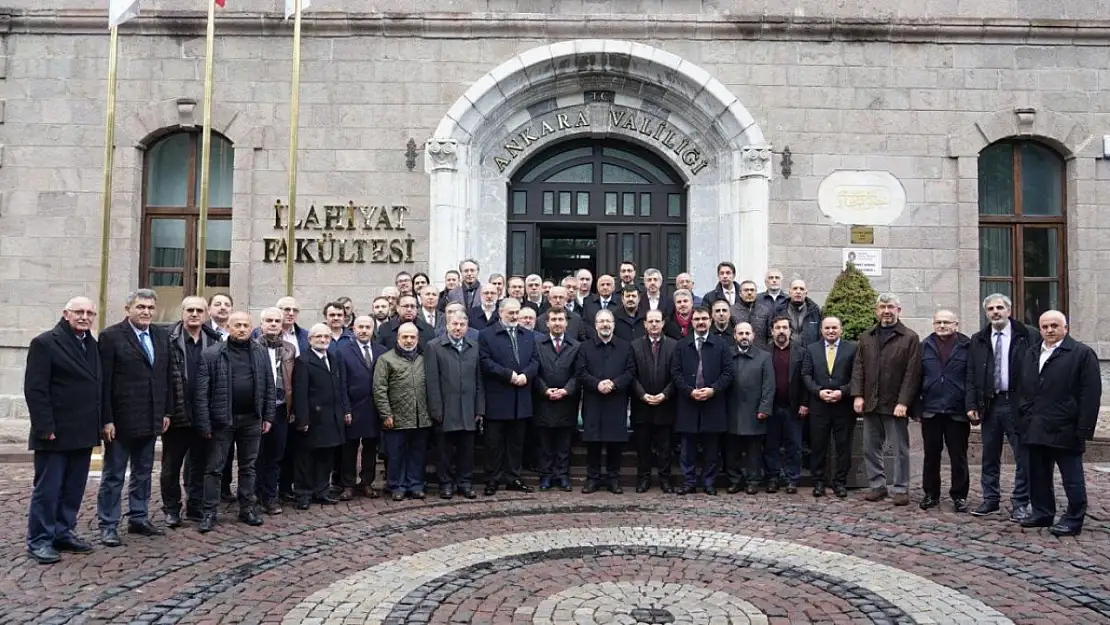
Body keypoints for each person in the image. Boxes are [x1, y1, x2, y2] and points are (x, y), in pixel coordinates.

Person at [24, 297, 102, 564]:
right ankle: (39, 539)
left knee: (73, 489)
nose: (84, 316)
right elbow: (35, 389)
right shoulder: (45, 343)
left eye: (90, 312)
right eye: (79, 312)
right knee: (48, 489)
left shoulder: (91, 344)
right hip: (54, 432)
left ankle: (62, 531)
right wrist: (45, 427)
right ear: (65, 314)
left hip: (82, 432)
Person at [96, 288, 173, 547]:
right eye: (140, 307)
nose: (146, 312)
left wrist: (166, 411)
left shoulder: (161, 336)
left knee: (143, 472)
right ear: (128, 309)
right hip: (120, 421)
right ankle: (108, 524)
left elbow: (165, 377)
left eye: (150, 308)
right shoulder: (111, 337)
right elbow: (103, 382)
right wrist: (106, 419)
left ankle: (138, 517)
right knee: (114, 475)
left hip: (151, 418)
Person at [1017, 310, 1101, 537]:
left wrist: (1083, 428)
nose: (1049, 330)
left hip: (1066, 427)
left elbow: (1090, 393)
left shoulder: (1081, 353)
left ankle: (1074, 519)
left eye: (1055, 325)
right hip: (1035, 425)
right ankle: (1043, 512)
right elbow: (1024, 387)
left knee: (1072, 478)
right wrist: (1025, 415)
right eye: (1045, 326)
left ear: (1066, 328)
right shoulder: (1033, 353)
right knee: (1038, 474)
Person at [194, 310, 275, 533]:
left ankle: (247, 508)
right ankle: (209, 511)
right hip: (222, 421)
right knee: (214, 468)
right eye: (237, 325)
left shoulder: (260, 352)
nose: (241, 329)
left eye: (245, 325)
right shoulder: (212, 354)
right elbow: (201, 393)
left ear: (251, 328)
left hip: (251, 420)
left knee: (248, 467)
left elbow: (269, 385)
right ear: (228, 327)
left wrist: (268, 416)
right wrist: (204, 423)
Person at [967, 293, 1037, 521]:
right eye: (991, 309)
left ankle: (1020, 502)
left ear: (1008, 310)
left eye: (999, 308)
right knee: (989, 455)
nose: (995, 312)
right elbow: (971, 374)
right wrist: (971, 404)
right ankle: (990, 499)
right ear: (986, 313)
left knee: (1023, 456)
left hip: (1018, 404)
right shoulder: (978, 339)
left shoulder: (1027, 335)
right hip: (990, 404)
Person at [851, 293, 921, 506]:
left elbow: (912, 373)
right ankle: (877, 485)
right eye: (882, 307)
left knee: (899, 449)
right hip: (872, 402)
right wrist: (858, 395)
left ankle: (900, 488)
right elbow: (859, 368)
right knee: (870, 447)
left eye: (890, 307)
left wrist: (904, 402)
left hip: (895, 404)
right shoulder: (867, 337)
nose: (886, 311)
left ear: (899, 310)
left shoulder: (909, 337)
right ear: (876, 310)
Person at [163, 296, 221, 527]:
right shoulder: (168, 339)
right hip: (177, 413)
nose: (194, 314)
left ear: (206, 314)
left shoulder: (215, 341)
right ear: (182, 312)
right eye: (190, 310)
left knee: (200, 464)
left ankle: (195, 506)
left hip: (204, 415)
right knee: (170, 467)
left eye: (199, 310)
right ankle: (171, 509)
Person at [478, 297, 539, 496]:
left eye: (517, 313)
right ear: (500, 313)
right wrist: (509, 375)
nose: (514, 316)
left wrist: (525, 375)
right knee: (494, 443)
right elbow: (485, 362)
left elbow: (535, 360)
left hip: (521, 397)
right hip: (498, 397)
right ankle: (492, 479)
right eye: (510, 313)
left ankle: (514, 477)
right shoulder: (486, 335)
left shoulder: (528, 335)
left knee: (516, 442)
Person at [671, 306, 734, 495]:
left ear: (710, 321)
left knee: (711, 448)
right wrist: (689, 391)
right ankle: (689, 482)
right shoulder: (682, 345)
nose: (701, 322)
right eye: (697, 319)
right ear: (691, 322)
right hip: (688, 402)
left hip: (712, 402)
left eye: (704, 319)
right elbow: (675, 372)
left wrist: (713, 390)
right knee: (687, 448)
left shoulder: (721, 345)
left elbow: (728, 373)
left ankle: (708, 482)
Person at [425, 312, 484, 500]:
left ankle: (464, 482)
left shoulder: (474, 346)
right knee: (444, 450)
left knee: (467, 450)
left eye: (461, 324)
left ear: (467, 327)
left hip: (468, 407)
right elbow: (432, 381)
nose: (458, 328)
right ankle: (446, 483)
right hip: (445, 408)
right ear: (447, 326)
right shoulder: (434, 347)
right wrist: (436, 410)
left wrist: (479, 409)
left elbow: (478, 380)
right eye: (454, 324)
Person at [292, 324, 351, 509]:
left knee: (326, 457)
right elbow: (300, 393)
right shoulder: (303, 361)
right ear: (310, 340)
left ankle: (321, 491)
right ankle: (303, 494)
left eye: (326, 337)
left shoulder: (333, 358)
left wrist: (345, 410)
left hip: (331, 416)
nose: (323, 340)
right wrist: (302, 420)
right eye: (318, 337)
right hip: (313, 418)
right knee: (306, 459)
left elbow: (341, 387)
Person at [918, 309, 972, 513]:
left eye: (946, 322)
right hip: (931, 409)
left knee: (958, 455)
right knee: (931, 454)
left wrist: (971, 405)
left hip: (957, 410)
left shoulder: (967, 346)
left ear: (956, 324)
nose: (942, 326)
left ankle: (959, 496)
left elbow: (971, 377)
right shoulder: (925, 346)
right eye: (938, 322)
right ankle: (931, 494)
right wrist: (917, 407)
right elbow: (916, 377)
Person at [577, 309, 635, 494]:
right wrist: (597, 384)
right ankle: (592, 478)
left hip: (616, 401)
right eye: (601, 321)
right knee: (593, 443)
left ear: (613, 325)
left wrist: (614, 384)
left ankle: (613, 479)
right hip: (593, 400)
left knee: (614, 443)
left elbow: (630, 372)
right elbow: (581, 372)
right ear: (595, 325)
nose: (605, 325)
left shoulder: (625, 347)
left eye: (608, 321)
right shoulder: (585, 347)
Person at [373, 322, 434, 501]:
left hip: (421, 417)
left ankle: (415, 484)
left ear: (417, 338)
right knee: (396, 454)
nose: (408, 340)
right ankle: (396, 485)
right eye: (404, 337)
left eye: (412, 337)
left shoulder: (424, 359)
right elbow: (379, 389)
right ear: (398, 338)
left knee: (418, 454)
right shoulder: (386, 359)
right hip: (396, 417)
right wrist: (386, 414)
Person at [801, 317, 857, 498]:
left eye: (834, 328)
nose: (830, 331)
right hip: (819, 406)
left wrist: (842, 392)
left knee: (843, 446)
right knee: (818, 446)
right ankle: (818, 482)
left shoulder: (852, 349)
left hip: (843, 406)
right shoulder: (812, 349)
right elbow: (806, 375)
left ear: (841, 329)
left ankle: (840, 482)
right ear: (821, 330)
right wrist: (818, 392)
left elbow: (856, 376)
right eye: (827, 328)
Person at [333, 315, 385, 500]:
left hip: (374, 408)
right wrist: (345, 409)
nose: (364, 330)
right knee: (349, 448)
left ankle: (367, 483)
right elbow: (341, 382)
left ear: (373, 330)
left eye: (367, 327)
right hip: (353, 407)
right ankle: (348, 484)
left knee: (370, 448)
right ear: (353, 329)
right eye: (360, 327)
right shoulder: (344, 351)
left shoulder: (382, 351)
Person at [253, 307, 296, 515]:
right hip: (257, 410)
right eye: (268, 320)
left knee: (275, 456)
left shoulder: (289, 349)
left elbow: (292, 381)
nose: (273, 324)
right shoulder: (251, 347)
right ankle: (253, 496)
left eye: (276, 321)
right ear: (261, 323)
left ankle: (270, 497)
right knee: (255, 456)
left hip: (280, 408)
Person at [533, 308, 581, 492]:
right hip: (544, 401)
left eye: (560, 319)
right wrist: (544, 390)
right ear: (547, 323)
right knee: (545, 443)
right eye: (553, 319)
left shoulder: (575, 345)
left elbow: (578, 374)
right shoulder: (537, 344)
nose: (557, 323)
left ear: (566, 323)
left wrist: (566, 390)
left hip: (566, 401)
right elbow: (534, 372)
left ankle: (562, 476)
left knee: (564, 444)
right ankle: (546, 476)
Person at [630, 309, 677, 493]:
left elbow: (676, 375)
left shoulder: (673, 346)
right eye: (651, 321)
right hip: (642, 404)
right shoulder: (634, 346)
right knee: (643, 446)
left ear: (663, 323)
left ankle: (665, 479)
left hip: (665, 404)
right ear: (645, 324)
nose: (654, 324)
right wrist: (643, 395)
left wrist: (665, 394)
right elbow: (631, 375)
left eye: (657, 321)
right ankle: (644, 478)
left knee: (665, 446)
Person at [725, 322, 774, 494]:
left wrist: (764, 408)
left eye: (747, 333)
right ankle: (735, 480)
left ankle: (753, 481)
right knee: (732, 450)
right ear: (735, 336)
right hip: (731, 409)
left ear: (753, 335)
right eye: (741, 333)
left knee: (754, 451)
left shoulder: (764, 357)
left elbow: (769, 385)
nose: (744, 336)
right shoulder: (727, 354)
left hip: (755, 410)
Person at [763, 316, 808, 494]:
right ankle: (772, 478)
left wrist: (805, 403)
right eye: (778, 328)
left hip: (793, 406)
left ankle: (792, 479)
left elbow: (805, 379)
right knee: (770, 445)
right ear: (772, 331)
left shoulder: (801, 352)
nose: (781, 331)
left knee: (794, 446)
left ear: (790, 331)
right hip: (771, 407)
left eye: (785, 327)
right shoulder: (764, 351)